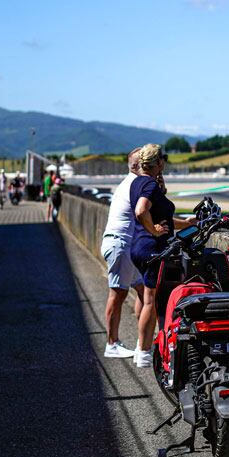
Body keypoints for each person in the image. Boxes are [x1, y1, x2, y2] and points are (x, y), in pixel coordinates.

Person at [128, 144, 196, 369]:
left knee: (150, 299)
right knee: (151, 301)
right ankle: (145, 351)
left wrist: (184, 224)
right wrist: (153, 231)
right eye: (163, 159)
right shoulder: (148, 184)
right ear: (158, 162)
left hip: (139, 246)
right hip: (152, 248)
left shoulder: (138, 182)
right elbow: (141, 210)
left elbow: (161, 217)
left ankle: (143, 349)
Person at [100, 149, 146, 358]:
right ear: (136, 166)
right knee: (117, 294)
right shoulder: (134, 186)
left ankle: (142, 343)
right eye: (145, 162)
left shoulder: (127, 183)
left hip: (123, 245)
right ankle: (112, 344)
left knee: (144, 292)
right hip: (121, 245)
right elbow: (145, 214)